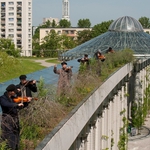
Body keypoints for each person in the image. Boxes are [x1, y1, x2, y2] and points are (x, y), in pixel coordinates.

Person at [0, 84, 30, 150]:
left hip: (15, 119)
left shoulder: (13, 98)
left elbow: (19, 107)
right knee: (10, 136)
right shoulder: (2, 98)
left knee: (16, 135)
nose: (15, 93)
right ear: (10, 92)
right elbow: (6, 104)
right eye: (14, 91)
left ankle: (16, 147)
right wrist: (16, 105)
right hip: (7, 120)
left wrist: (26, 103)